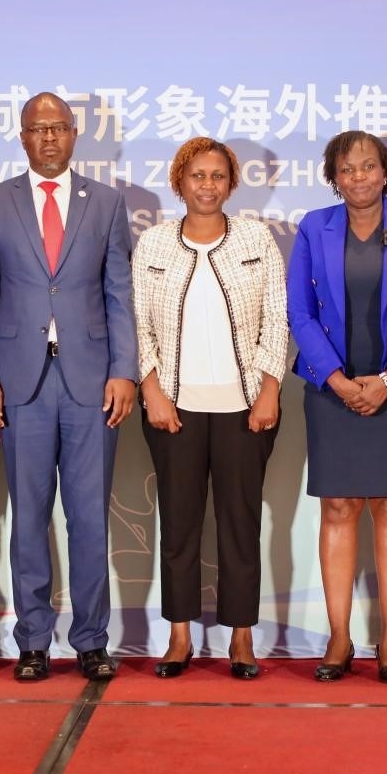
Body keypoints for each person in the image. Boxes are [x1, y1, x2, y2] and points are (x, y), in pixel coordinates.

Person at [0, 92, 136, 682]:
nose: (48, 138)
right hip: (20, 383)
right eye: (37, 129)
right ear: (22, 137)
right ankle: (33, 641)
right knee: (28, 518)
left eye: (58, 128)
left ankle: (91, 641)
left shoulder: (106, 202)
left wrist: (124, 369)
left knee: (89, 519)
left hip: (92, 381)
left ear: (73, 133)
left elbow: (119, 291)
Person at [133, 137, 287, 680]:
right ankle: (179, 636)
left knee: (240, 525)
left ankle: (241, 636)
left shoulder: (255, 239)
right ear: (179, 181)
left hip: (244, 407)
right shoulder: (153, 243)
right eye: (197, 175)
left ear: (231, 183)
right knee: (178, 526)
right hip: (174, 408)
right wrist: (151, 390)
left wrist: (269, 389)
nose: (207, 185)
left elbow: (277, 319)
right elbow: (138, 323)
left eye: (217, 176)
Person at [287, 131, 387, 683]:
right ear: (334, 177)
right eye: (347, 169)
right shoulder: (313, 227)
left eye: (368, 166)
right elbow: (300, 312)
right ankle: (339, 636)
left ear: (385, 172)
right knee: (339, 507)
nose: (358, 178)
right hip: (332, 389)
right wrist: (338, 380)